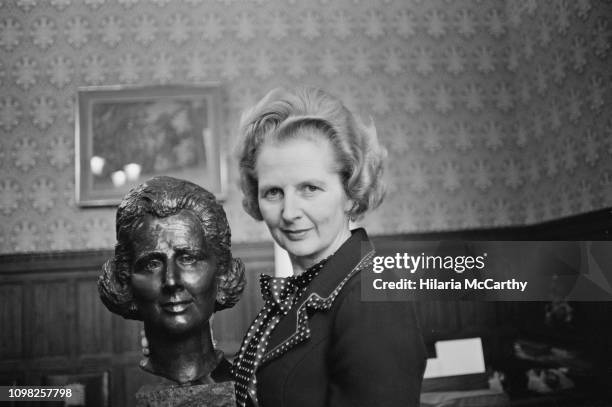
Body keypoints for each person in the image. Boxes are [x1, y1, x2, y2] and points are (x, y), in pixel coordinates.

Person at [232, 86, 426, 407]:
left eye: (310, 188)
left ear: (351, 191)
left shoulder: (373, 300)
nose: (290, 212)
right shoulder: (304, 291)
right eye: (273, 192)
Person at [99, 176, 246, 388]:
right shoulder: (127, 385)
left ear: (221, 271)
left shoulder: (244, 385)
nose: (171, 281)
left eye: (188, 259)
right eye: (152, 264)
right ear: (126, 279)